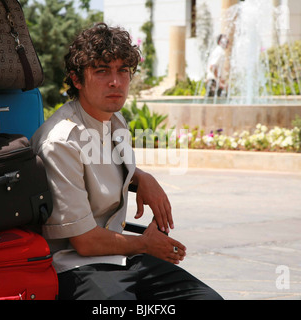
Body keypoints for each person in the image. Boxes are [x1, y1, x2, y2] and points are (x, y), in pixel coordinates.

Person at [30, 22, 223, 300]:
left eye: (123, 70)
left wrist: (140, 177)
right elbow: (84, 241)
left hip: (122, 256)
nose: (116, 82)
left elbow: (100, 161)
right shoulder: (61, 141)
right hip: (77, 266)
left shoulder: (114, 121)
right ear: (76, 79)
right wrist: (145, 244)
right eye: (101, 71)